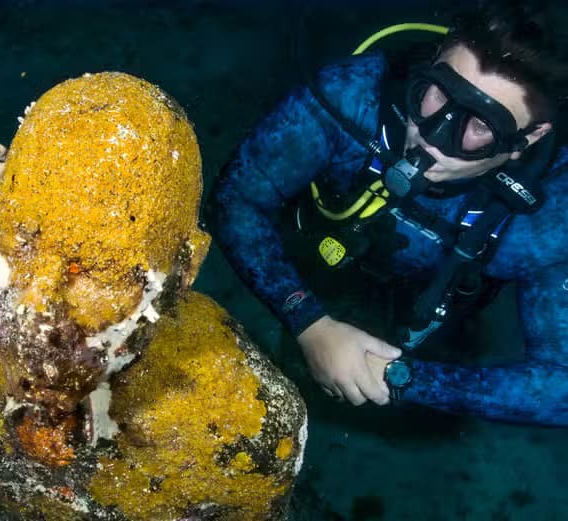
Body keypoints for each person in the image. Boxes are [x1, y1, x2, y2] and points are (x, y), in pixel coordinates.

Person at [208, 0, 568, 426]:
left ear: (528, 139)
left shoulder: (549, 216)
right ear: (434, 60)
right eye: (437, 94)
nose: (431, 136)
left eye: (480, 127)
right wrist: (309, 321)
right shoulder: (354, 96)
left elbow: (559, 386)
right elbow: (238, 197)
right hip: (307, 262)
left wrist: (397, 377)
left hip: (420, 324)